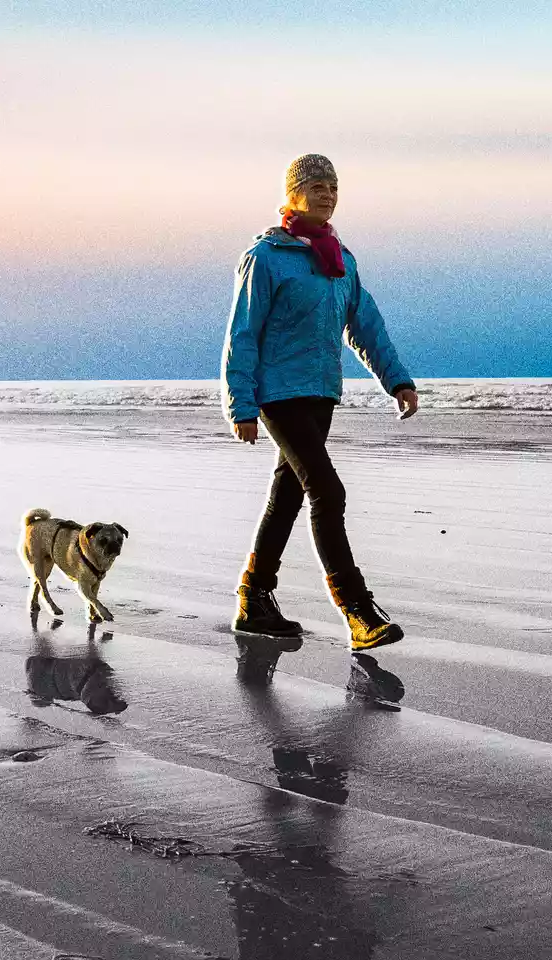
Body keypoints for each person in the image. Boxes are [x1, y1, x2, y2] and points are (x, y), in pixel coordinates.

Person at [222, 153, 419, 649]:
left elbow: (365, 326)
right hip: (278, 394)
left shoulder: (340, 260)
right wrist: (241, 404)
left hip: (321, 393)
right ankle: (357, 612)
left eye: (332, 187)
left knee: (287, 497)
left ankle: (253, 601)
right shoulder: (266, 257)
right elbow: (242, 333)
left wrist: (397, 380)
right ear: (292, 196)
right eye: (316, 186)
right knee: (328, 493)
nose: (327, 194)